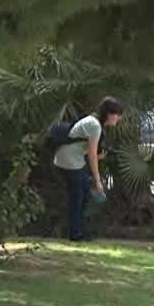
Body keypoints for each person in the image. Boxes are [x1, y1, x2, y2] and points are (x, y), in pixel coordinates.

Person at [54, 96, 123, 241]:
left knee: (84, 195)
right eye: (117, 115)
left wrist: (98, 157)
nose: (119, 119)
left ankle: (78, 230)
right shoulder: (95, 126)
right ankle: (75, 234)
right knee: (78, 197)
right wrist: (98, 181)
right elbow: (91, 154)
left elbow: (86, 150)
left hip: (73, 160)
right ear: (110, 114)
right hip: (68, 161)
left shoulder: (94, 122)